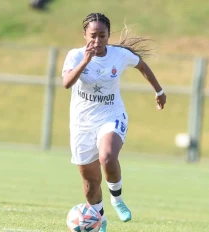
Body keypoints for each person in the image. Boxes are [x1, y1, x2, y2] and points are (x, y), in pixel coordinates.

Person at [61, 12, 167, 232]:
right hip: (82, 124)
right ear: (84, 34)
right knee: (90, 184)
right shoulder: (74, 56)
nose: (97, 41)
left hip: (111, 116)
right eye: (93, 35)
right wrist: (86, 61)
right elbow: (67, 83)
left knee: (107, 156)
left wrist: (159, 90)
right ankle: (100, 220)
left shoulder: (119, 55)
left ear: (109, 35)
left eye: (102, 35)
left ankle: (117, 199)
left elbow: (142, 66)